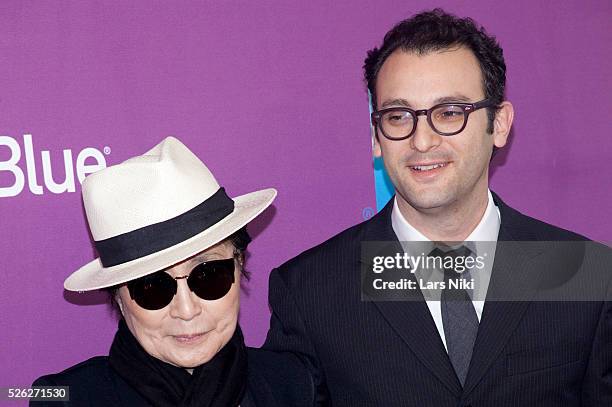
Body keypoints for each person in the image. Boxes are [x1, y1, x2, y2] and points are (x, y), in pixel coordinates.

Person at [263, 9, 612, 406]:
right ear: (377, 136)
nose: (422, 141)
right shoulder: (310, 291)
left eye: (449, 113)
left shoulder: (588, 277)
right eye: (398, 116)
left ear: (499, 124)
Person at [32, 137, 313, 406]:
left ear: (240, 265)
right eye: (152, 288)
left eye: (209, 275)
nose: (186, 309)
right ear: (118, 296)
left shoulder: (293, 384)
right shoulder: (70, 399)